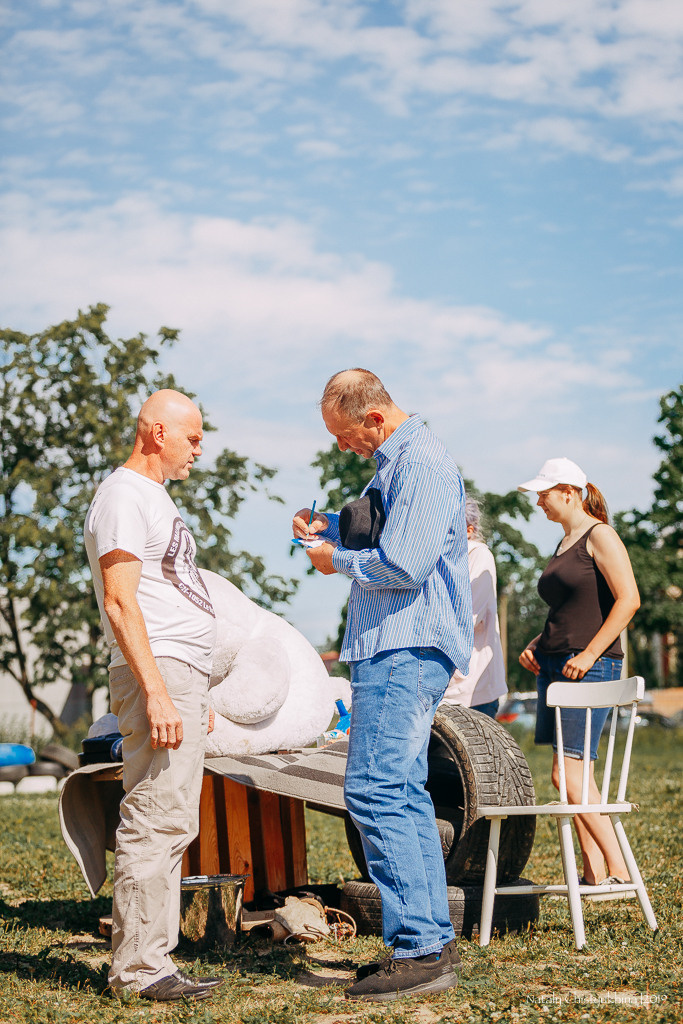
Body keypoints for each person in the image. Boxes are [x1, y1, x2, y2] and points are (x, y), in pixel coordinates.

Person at [292, 369, 473, 1002]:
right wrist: (330, 532)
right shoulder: (394, 465)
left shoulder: (418, 461)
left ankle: (418, 947)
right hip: (393, 645)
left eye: (345, 437)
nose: (343, 448)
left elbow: (405, 563)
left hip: (404, 644)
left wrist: (332, 561)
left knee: (374, 788)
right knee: (402, 791)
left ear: (373, 419)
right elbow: (383, 534)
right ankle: (431, 939)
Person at [84, 390, 223, 1002]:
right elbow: (120, 599)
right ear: (155, 431)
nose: (199, 448)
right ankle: (138, 972)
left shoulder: (154, 497)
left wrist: (191, 688)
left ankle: (153, 963)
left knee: (173, 819)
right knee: (153, 817)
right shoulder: (123, 495)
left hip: (178, 671)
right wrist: (160, 693)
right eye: (191, 437)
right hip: (158, 671)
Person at [517, 457, 639, 895]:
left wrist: (589, 653)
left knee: (569, 777)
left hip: (586, 666)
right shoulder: (566, 542)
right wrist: (537, 641)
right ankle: (592, 874)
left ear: (569, 492)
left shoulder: (600, 535)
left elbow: (628, 600)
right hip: (555, 665)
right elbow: (570, 608)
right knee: (568, 776)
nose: (539, 503)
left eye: (544, 494)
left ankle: (621, 869)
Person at [441, 495, 507, 718]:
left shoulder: (478, 554)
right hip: (446, 689)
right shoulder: (441, 560)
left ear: (469, 531)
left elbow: (468, 617)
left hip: (473, 691)